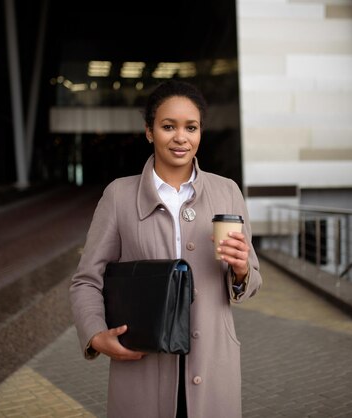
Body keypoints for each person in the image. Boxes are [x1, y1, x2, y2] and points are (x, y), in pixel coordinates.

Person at [70, 80, 262, 418]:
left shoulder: (227, 191)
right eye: (168, 126)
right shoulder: (119, 196)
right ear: (149, 131)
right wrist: (96, 335)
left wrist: (243, 269)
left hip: (213, 363)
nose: (181, 137)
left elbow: (251, 282)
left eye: (191, 127)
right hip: (142, 364)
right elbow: (87, 280)